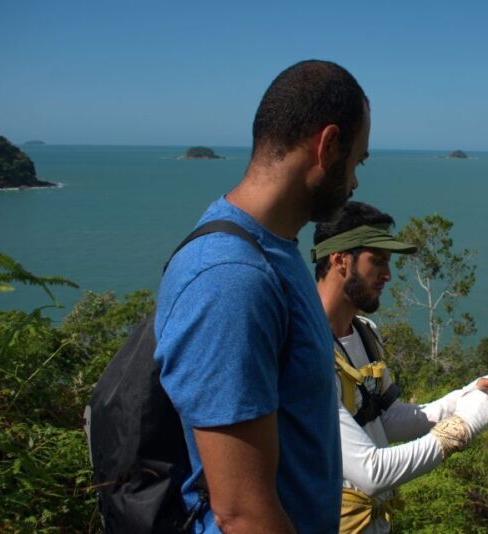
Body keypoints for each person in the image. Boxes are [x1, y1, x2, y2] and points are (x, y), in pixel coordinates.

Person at [154, 60, 370, 533]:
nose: (354, 180)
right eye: (356, 160)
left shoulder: (277, 250)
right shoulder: (230, 279)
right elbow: (243, 512)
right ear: (328, 145)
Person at [313, 201, 488, 533]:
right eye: (377, 262)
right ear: (340, 260)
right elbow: (371, 472)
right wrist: (462, 427)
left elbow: (386, 420)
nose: (388, 275)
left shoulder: (365, 334)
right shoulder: (307, 352)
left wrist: (464, 396)